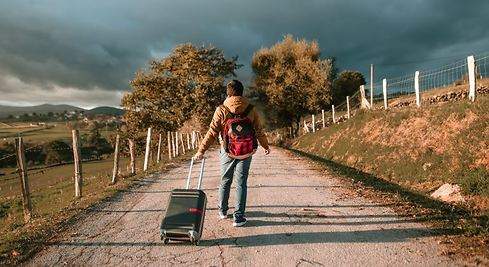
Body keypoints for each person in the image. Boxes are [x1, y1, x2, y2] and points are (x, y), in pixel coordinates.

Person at [193, 79, 270, 227]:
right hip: (246, 151)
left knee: (225, 180)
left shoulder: (221, 109)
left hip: (227, 151)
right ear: (242, 92)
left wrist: (201, 151)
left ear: (228, 94)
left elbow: (212, 132)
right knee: (241, 183)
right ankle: (239, 217)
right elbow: (259, 130)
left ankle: (222, 211)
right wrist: (265, 145)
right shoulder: (251, 109)